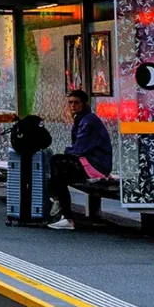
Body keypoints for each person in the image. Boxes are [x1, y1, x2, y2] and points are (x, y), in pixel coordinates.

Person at [48, 88, 113, 231]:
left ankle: (60, 204)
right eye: (70, 103)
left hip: (96, 165)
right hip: (90, 163)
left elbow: (79, 148)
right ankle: (65, 214)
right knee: (60, 174)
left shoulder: (88, 120)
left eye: (76, 102)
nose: (72, 106)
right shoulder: (81, 119)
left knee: (57, 161)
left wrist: (67, 151)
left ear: (83, 104)